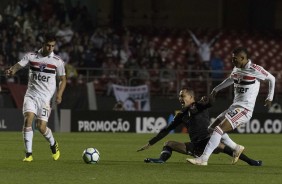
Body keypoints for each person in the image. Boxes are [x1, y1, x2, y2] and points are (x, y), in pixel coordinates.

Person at [187, 47, 275, 166]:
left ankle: (203, 159)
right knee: (211, 129)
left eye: (235, 58)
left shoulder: (255, 69)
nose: (232, 60)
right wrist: (216, 89)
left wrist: (269, 97)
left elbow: (272, 78)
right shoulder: (237, 68)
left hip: (244, 109)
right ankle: (236, 148)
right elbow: (230, 79)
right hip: (234, 107)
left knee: (219, 129)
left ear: (243, 58)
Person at [137, 88, 262, 166]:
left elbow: (210, 103)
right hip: (195, 146)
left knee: (220, 143)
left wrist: (209, 98)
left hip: (207, 141)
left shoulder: (198, 106)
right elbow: (166, 130)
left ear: (191, 97)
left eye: (183, 96)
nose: (180, 98)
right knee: (168, 143)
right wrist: (150, 143)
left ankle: (251, 162)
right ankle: (161, 160)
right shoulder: (181, 115)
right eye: (180, 96)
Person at [5, 33, 67, 162]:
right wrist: (12, 70)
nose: (50, 49)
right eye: (48, 45)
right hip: (31, 95)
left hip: (45, 99)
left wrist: (59, 94)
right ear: (43, 44)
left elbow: (63, 80)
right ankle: (28, 154)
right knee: (28, 119)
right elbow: (18, 65)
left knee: (41, 127)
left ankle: (53, 143)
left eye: (53, 46)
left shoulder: (57, 61)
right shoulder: (31, 57)